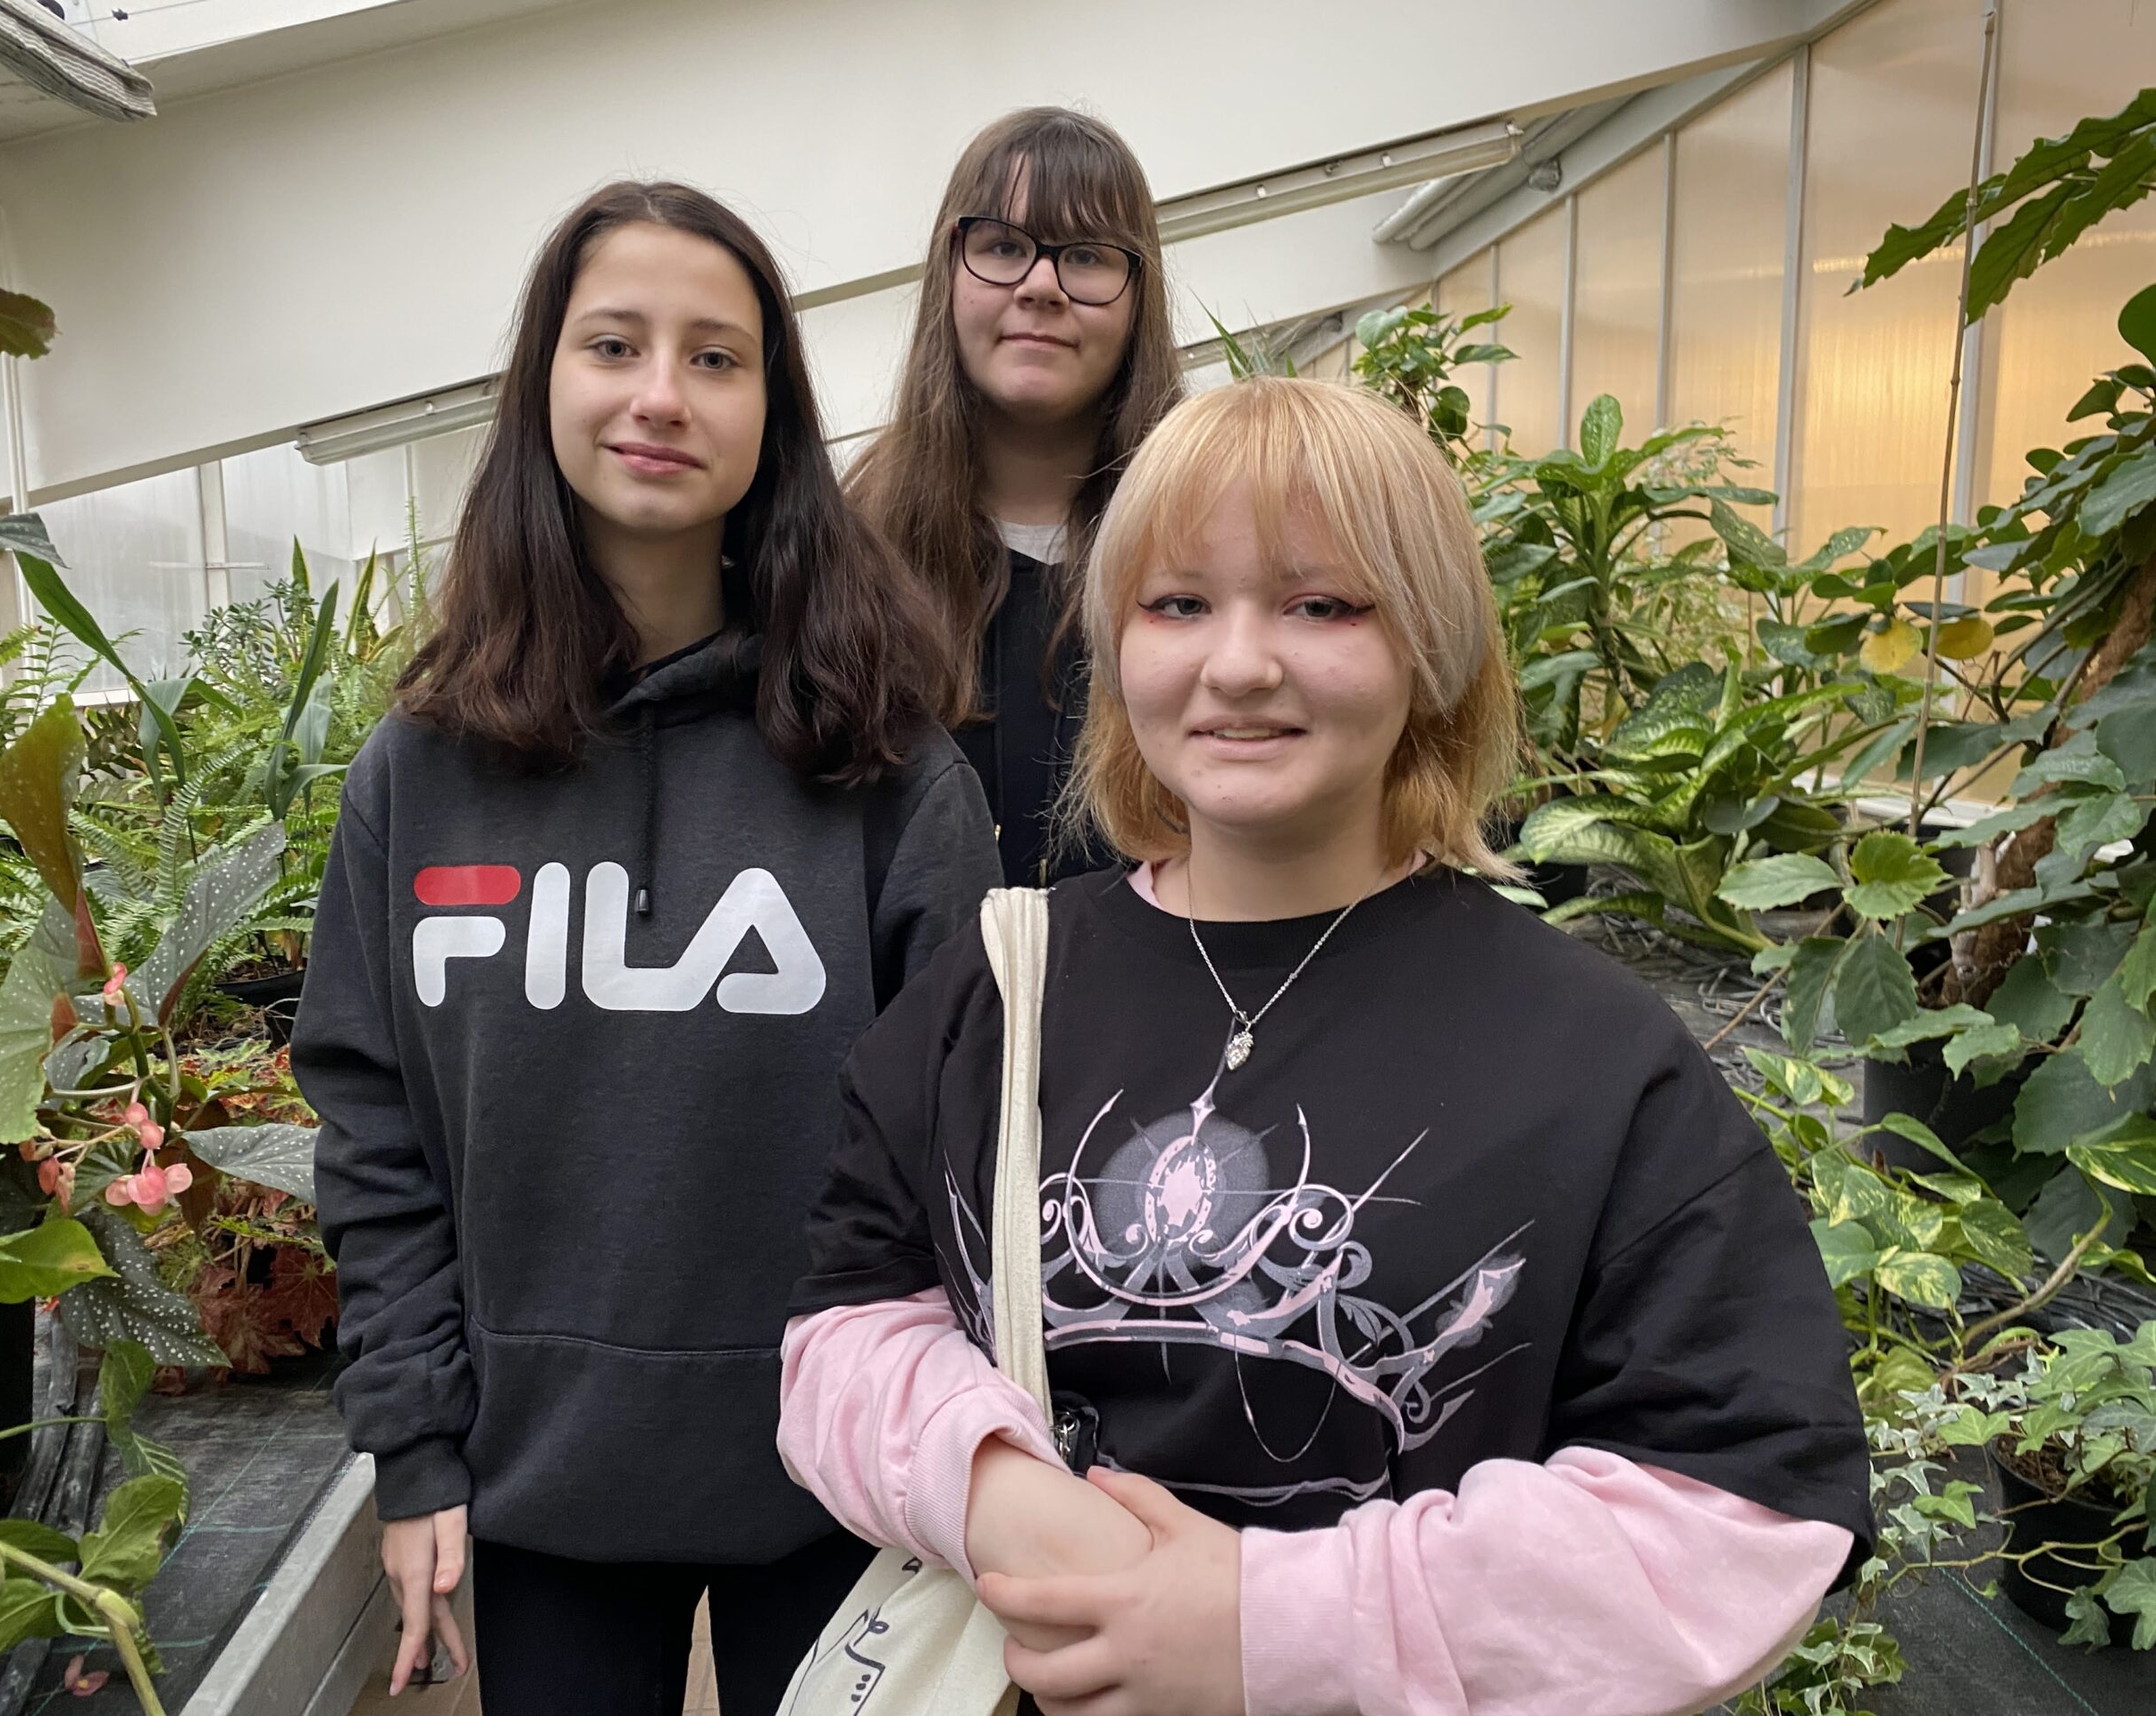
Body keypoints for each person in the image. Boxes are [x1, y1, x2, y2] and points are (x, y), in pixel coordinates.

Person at [780, 376, 1872, 1716]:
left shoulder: (1594, 1059)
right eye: (1178, 603)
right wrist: (1007, 1500)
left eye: (1322, 605)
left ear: (1432, 646)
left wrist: (1269, 1627)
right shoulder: (1001, 984)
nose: (1239, 664)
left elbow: (1740, 1509)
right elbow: (847, 1322)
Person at [297, 181, 1000, 1714]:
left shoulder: (886, 769)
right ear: (544, 382)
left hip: (840, 1481)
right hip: (543, 1486)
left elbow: (967, 1149)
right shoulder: (421, 769)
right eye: (614, 344)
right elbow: (376, 1132)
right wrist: (413, 1446)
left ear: (773, 411)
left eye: (716, 357)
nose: (661, 396)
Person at [850, 106, 1184, 886]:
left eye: (1087, 255)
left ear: (1139, 293)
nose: (1040, 286)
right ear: (950, 271)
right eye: (1003, 246)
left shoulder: (1207, 537)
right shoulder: (852, 548)